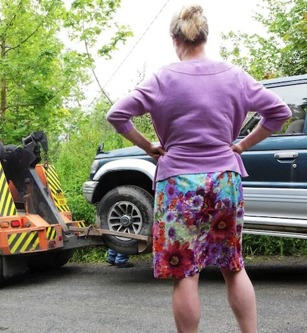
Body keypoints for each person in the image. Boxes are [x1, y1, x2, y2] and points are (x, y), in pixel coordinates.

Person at [105, 4, 291, 333]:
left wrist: (148, 146)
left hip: (178, 183)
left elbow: (117, 115)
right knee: (233, 266)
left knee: (185, 272)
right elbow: (278, 112)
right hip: (225, 180)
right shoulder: (234, 76)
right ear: (204, 36)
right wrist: (243, 145)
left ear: (175, 39)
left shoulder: (162, 79)